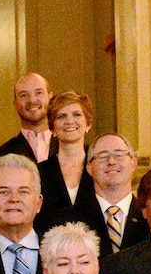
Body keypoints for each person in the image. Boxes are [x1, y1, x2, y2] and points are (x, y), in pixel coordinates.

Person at [34, 90, 102, 235]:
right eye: (61, 116)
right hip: (50, 252)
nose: (69, 121)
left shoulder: (101, 169)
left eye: (77, 114)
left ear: (88, 124)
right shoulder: (38, 173)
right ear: (52, 128)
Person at [89, 135, 150, 257]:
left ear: (133, 163)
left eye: (119, 155)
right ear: (89, 168)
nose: (111, 161)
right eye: (103, 156)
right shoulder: (69, 220)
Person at [0, 72, 54, 164]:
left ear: (50, 98)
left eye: (39, 93)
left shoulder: (73, 148)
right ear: (15, 104)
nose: (32, 100)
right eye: (23, 95)